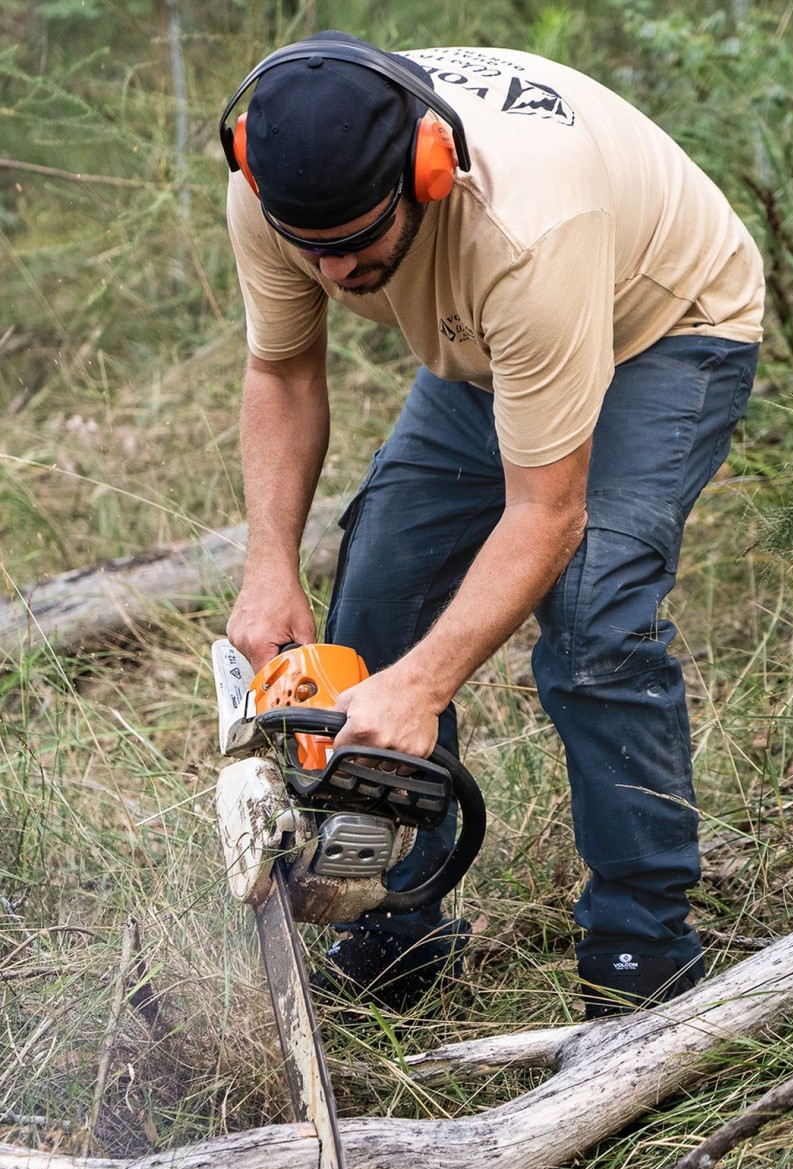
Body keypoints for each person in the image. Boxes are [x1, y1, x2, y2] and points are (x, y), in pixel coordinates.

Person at [220, 31, 765, 1019]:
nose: (336, 271)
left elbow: (545, 514)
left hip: (663, 328)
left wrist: (427, 685)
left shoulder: (527, 226)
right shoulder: (279, 191)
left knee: (596, 613)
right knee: (378, 593)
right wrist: (268, 565)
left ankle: (644, 955)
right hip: (497, 348)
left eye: (357, 241)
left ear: (428, 174)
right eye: (313, 248)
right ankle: (393, 918)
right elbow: (283, 369)